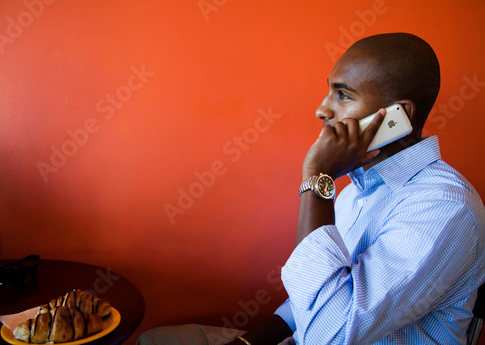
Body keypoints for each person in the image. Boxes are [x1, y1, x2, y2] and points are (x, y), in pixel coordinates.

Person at [137, 32, 485, 344]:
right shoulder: (355, 192)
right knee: (156, 340)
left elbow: (329, 334)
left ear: (397, 116)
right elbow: (310, 298)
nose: (322, 109)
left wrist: (317, 177)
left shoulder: (442, 207)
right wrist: (248, 343)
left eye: (343, 95)